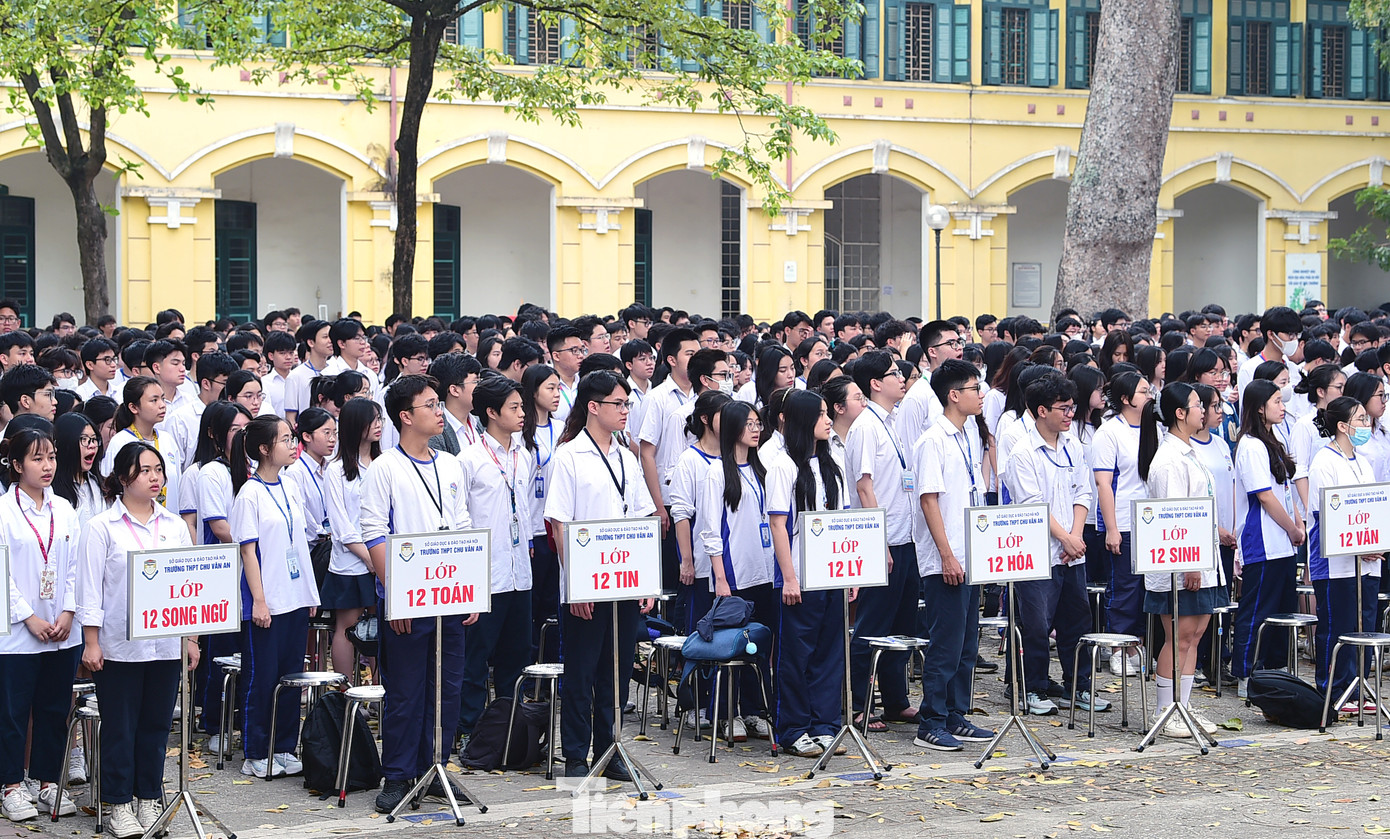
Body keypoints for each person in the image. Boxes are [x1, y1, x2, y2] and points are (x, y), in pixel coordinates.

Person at [359, 374, 475, 812]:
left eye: (438, 403)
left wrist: (470, 593)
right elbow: (374, 536)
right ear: (406, 416)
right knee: (406, 691)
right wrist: (396, 598)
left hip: (449, 593)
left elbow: (463, 527)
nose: (439, 410)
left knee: (447, 686)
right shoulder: (385, 468)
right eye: (429, 405)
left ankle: (436, 768)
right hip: (409, 599)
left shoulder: (449, 464)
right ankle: (398, 774)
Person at [77, 442, 197, 838]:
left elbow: (189, 585)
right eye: (145, 470)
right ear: (123, 476)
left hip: (164, 643)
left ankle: (148, 797)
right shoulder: (101, 527)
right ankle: (118, 803)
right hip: (119, 646)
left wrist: (190, 637)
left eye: (158, 470)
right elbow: (90, 589)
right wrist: (91, 641)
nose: (155, 477)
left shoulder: (174, 525)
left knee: (157, 725)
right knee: (120, 726)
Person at [545, 371, 657, 779]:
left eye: (628, 404)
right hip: (585, 585)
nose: (626, 411)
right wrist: (575, 587)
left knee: (618, 669)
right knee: (582, 671)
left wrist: (647, 583)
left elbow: (643, 519)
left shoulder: (627, 457)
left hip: (625, 580)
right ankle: (575, 754)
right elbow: (558, 525)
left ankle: (609, 750)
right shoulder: (569, 456)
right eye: (618, 404)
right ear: (593, 407)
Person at [1005, 374, 1109, 716]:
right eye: (1063, 408)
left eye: (1072, 407)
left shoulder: (1073, 446)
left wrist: (1075, 536)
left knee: (1076, 621)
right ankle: (1032, 687)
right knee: (1036, 624)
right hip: (1038, 553)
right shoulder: (1022, 452)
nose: (1069, 415)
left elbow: (1084, 492)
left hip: (1072, 552)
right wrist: (1065, 537)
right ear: (1040, 411)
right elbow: (1032, 505)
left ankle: (1077, 686)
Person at [910, 360, 996, 750]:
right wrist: (946, 555)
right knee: (944, 643)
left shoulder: (966, 436)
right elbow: (929, 501)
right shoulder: (933, 440)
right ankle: (931, 721)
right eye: (974, 388)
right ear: (953, 395)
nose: (981, 395)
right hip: (947, 558)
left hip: (970, 553)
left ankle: (956, 713)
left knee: (966, 644)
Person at [229, 415, 321, 778]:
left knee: (291, 677)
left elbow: (299, 543)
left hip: (295, 595)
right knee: (261, 677)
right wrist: (260, 601)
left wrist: (309, 591)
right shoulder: (249, 494)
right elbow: (248, 551)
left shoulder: (290, 486)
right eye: (285, 439)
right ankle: (256, 749)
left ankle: (284, 745)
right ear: (265, 449)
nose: (292, 443)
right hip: (266, 600)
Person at [765, 389, 852, 758]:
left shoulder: (832, 460)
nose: (828, 419)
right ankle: (794, 728)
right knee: (796, 656)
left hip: (832, 573)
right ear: (801, 421)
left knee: (830, 653)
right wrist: (790, 577)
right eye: (819, 414)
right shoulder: (783, 466)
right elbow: (779, 526)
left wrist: (851, 572)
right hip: (800, 576)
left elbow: (845, 520)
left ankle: (825, 724)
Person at [0, 427, 81, 822]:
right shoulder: (3, 512)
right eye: (36, 458)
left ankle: (46, 780)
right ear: (16, 465)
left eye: (50, 457)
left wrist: (67, 610)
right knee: (13, 711)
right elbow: (2, 574)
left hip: (61, 629)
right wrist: (28, 617)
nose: (47, 466)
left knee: (53, 709)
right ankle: (11, 784)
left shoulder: (64, 509)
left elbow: (75, 567)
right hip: (17, 632)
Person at [1137, 382, 1223, 738]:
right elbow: (1173, 518)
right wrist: (1187, 562)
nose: (1203, 410)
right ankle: (1164, 709)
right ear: (1179, 413)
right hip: (1182, 564)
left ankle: (1182, 705)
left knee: (1196, 634)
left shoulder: (1188, 451)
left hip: (1201, 561)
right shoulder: (1169, 459)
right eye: (1196, 405)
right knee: (1179, 636)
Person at [455, 376, 536, 745]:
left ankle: (510, 727)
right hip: (486, 574)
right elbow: (461, 519)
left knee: (516, 657)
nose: (522, 414)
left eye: (522, 406)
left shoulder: (525, 453)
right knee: (475, 660)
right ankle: (469, 728)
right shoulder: (469, 459)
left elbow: (528, 509)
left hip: (519, 571)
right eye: (514, 408)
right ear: (491, 413)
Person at [844, 351, 920, 730]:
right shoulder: (865, 427)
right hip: (883, 540)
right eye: (894, 373)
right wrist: (879, 543)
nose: (901, 378)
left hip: (904, 536)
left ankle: (895, 699)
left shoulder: (890, 422)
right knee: (872, 626)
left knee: (902, 624)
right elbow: (864, 486)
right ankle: (859, 704)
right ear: (875, 383)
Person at [700, 400, 777, 742]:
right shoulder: (716, 473)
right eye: (748, 424)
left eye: (758, 423)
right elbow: (710, 529)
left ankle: (754, 710)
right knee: (731, 646)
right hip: (734, 573)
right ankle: (725, 712)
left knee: (759, 645)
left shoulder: (763, 469)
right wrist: (719, 576)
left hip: (766, 570)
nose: (756, 429)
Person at [1230, 379, 1305, 699]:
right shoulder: (1250, 444)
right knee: (1258, 608)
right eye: (1276, 401)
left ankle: (1274, 669)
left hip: (1284, 541)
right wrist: (1291, 527)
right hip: (1262, 540)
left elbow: (1285, 491)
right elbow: (1263, 495)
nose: (1282, 406)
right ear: (1259, 407)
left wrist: (1297, 523)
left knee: (1282, 609)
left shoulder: (1276, 437)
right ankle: (1246, 672)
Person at [1305, 396, 1381, 710]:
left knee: (1363, 623)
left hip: (1367, 560)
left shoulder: (1362, 461)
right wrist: (1359, 546)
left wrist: (1374, 543)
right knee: (1338, 626)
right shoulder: (1324, 461)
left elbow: (1373, 507)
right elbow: (1326, 514)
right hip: (1336, 563)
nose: (1366, 424)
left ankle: (1359, 686)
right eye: (1360, 419)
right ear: (1342, 426)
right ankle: (1335, 690)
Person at [667, 390, 731, 734]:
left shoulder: (734, 458)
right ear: (706, 419)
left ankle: (726, 704)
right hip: (703, 566)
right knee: (701, 635)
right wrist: (687, 561)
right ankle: (694, 702)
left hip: (731, 564)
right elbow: (682, 513)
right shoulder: (690, 461)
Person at [1091, 370, 1152, 677]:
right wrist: (1112, 528)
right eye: (1143, 392)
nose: (1150, 395)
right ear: (1126, 399)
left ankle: (1138, 646)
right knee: (1124, 587)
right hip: (1125, 522)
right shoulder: (1109, 432)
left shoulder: (1155, 428)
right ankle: (1117, 648)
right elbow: (1104, 484)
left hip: (1152, 523)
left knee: (1147, 588)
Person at [322, 398, 382, 679]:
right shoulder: (335, 470)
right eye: (372, 420)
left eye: (380, 419)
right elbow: (341, 525)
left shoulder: (385, 464)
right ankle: (347, 695)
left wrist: (379, 557)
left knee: (380, 626)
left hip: (382, 556)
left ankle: (381, 692)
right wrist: (369, 557)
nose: (378, 425)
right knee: (348, 627)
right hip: (350, 561)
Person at [520, 364, 563, 664]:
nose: (557, 394)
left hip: (555, 526)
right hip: (531, 528)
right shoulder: (521, 432)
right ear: (533, 392)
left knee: (552, 601)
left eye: (559, 387)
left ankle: (552, 663)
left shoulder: (563, 430)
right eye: (550, 388)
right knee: (532, 603)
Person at [102, 376, 182, 514]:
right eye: (154, 400)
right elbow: (111, 490)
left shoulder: (167, 440)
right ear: (133, 407)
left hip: (168, 525)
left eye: (163, 398)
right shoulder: (120, 442)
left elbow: (177, 486)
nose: (162, 405)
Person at [284, 407, 336, 550]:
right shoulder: (295, 473)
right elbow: (301, 515)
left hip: (333, 545)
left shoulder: (332, 468)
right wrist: (322, 533)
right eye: (326, 433)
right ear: (307, 436)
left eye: (334, 433)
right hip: (311, 549)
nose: (332, 439)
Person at [52, 412, 106, 529]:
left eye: (94, 439)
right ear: (67, 444)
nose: (91, 445)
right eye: (84, 439)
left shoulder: (98, 483)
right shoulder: (50, 489)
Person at [427, 353, 482, 455]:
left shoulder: (479, 423)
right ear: (454, 390)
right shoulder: (436, 432)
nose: (481, 387)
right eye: (476, 382)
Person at [285, 320, 333, 425]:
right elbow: (291, 418)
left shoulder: (336, 371)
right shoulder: (295, 376)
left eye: (331, 336)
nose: (330, 341)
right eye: (325, 337)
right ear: (311, 342)